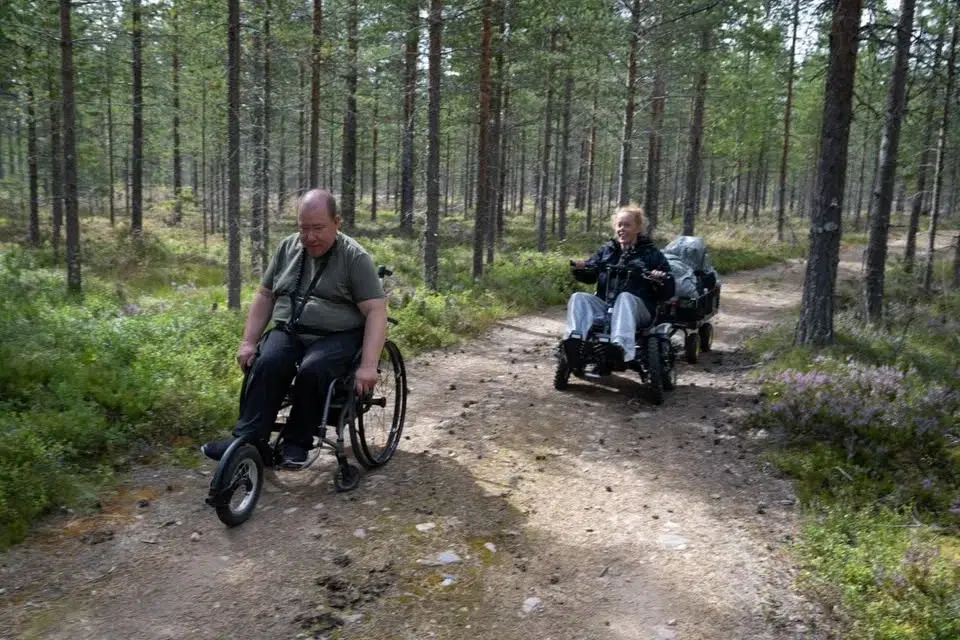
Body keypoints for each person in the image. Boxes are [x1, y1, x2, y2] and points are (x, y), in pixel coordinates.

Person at [201, 189, 388, 468]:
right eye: (304, 229)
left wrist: (368, 365)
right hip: (291, 329)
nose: (310, 237)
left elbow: (375, 310)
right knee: (268, 361)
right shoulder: (288, 249)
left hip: (338, 336)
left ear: (336, 223)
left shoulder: (354, 258)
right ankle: (247, 440)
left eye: (318, 228)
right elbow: (265, 295)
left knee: (313, 370)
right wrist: (248, 342)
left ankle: (297, 442)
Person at [563, 204, 675, 365]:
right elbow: (591, 273)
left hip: (640, 309)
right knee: (578, 297)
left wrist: (660, 277)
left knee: (625, 298)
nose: (622, 229)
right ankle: (574, 341)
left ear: (638, 228)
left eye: (627, 225)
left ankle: (620, 346)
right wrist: (581, 268)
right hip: (606, 304)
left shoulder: (651, 254)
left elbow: (669, 288)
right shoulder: (608, 250)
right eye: (619, 225)